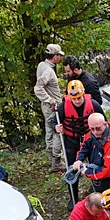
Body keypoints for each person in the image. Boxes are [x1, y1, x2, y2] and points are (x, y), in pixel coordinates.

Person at [55, 80, 104, 210]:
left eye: (79, 97)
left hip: (90, 141)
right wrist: (56, 127)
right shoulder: (62, 107)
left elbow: (104, 121)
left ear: (83, 94)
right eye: (74, 98)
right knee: (72, 169)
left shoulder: (93, 105)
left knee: (96, 167)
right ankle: (73, 197)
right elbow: (54, 122)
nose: (77, 101)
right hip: (72, 142)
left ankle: (99, 194)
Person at [35, 43, 66, 172]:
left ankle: (51, 159)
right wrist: (51, 100)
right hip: (52, 106)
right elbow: (38, 88)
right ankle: (57, 161)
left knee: (49, 130)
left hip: (46, 106)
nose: (60, 58)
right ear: (55, 56)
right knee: (57, 132)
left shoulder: (41, 65)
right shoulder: (48, 70)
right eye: (59, 55)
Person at [73, 113, 110, 193]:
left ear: (104, 124)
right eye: (92, 129)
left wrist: (87, 172)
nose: (95, 132)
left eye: (98, 129)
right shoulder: (92, 134)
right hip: (97, 174)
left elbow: (108, 171)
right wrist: (79, 159)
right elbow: (84, 146)